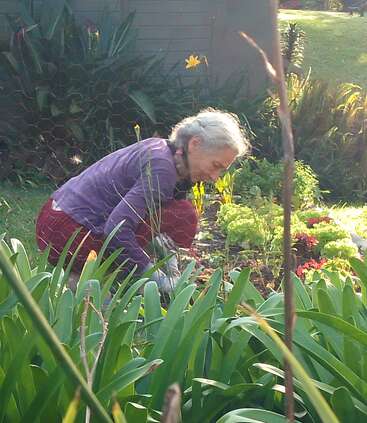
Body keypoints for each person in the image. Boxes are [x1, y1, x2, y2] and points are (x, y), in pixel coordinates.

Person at [36, 108, 249, 293]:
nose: (215, 177)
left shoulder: (160, 149)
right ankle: (92, 285)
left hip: (54, 218)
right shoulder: (162, 171)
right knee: (183, 215)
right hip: (70, 234)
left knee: (175, 211)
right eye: (216, 165)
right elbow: (116, 230)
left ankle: (86, 276)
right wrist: (157, 278)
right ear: (194, 143)